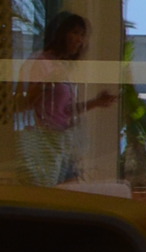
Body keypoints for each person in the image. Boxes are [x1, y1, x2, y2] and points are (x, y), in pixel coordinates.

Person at [16, 10, 113, 187]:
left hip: (61, 142)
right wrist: (48, 81)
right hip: (43, 142)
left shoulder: (61, 66)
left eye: (82, 35)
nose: (79, 40)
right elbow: (23, 103)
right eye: (75, 32)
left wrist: (96, 102)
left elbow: (65, 111)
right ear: (61, 33)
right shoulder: (41, 62)